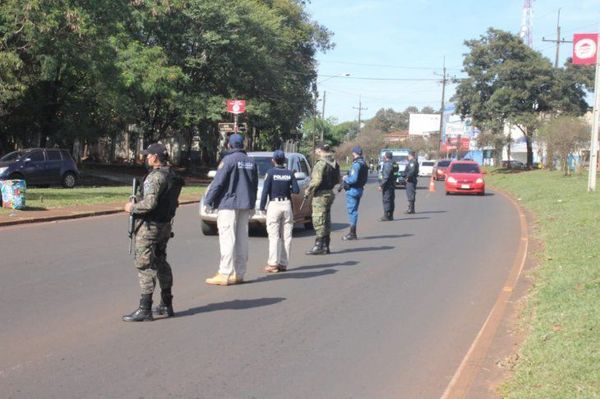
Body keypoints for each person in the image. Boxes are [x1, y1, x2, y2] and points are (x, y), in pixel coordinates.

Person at [122, 143, 185, 322]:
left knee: (145, 265)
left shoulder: (155, 177)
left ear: (155, 157)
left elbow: (149, 204)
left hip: (150, 227)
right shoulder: (172, 175)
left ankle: (145, 308)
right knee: (161, 261)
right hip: (165, 225)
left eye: (149, 155)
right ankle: (166, 303)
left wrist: (132, 207)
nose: (146, 158)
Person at [204, 133, 258, 285]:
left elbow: (218, 183)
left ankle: (224, 273)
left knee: (227, 238)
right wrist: (252, 204)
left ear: (229, 145)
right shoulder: (251, 162)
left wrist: (208, 201)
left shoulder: (228, 160)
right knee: (242, 238)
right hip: (245, 204)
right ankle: (239, 273)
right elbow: (253, 186)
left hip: (228, 203)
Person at [259, 150, 299, 273]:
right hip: (287, 204)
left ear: (273, 160)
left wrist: (262, 207)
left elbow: (265, 191)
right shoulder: (289, 173)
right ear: (284, 161)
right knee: (287, 236)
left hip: (274, 204)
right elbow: (296, 190)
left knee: (274, 236)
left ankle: (273, 263)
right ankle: (283, 263)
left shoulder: (270, 173)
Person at [305, 142, 340, 255]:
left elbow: (317, 180)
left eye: (316, 150)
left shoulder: (321, 163)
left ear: (320, 150)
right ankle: (326, 245)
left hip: (320, 194)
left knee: (318, 219)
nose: (315, 152)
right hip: (330, 193)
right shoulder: (334, 162)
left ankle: (319, 245)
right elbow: (338, 179)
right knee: (326, 220)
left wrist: (308, 189)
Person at [341, 146, 368, 240]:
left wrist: (345, 178)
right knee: (354, 210)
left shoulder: (356, 164)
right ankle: (352, 232)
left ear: (354, 153)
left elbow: (353, 179)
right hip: (360, 189)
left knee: (352, 211)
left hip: (353, 190)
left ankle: (352, 233)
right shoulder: (364, 163)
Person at [378, 151, 395, 221]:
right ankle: (390, 215)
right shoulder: (394, 163)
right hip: (392, 184)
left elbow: (386, 177)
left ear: (386, 157)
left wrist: (381, 185)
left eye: (384, 156)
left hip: (387, 185)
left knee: (386, 200)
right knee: (391, 200)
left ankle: (386, 216)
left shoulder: (387, 164)